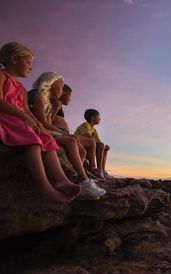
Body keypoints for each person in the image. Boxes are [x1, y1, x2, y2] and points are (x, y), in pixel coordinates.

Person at [0, 42, 80, 204]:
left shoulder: (21, 89)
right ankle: (45, 188)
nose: (30, 67)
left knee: (47, 138)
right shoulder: (1, 76)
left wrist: (36, 121)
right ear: (15, 59)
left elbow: (26, 110)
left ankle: (61, 180)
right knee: (33, 141)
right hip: (6, 116)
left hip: (20, 118)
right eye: (28, 62)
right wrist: (25, 118)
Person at [28, 72, 106, 199]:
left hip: (45, 129)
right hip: (36, 128)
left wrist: (65, 133)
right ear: (52, 85)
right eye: (61, 86)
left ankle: (77, 179)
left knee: (81, 149)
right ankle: (85, 183)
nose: (62, 90)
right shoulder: (38, 96)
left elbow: (48, 122)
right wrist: (64, 133)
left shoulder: (47, 102)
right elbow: (43, 123)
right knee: (71, 142)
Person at [51, 85, 102, 180]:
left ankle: (79, 172)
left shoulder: (59, 105)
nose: (70, 99)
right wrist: (62, 133)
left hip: (63, 132)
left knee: (83, 150)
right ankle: (93, 169)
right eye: (69, 96)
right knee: (91, 143)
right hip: (59, 132)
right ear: (63, 95)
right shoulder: (57, 103)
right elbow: (50, 120)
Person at [74, 109, 111, 180]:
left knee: (103, 147)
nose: (100, 118)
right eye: (98, 116)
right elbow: (88, 137)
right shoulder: (85, 125)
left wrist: (105, 147)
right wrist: (100, 144)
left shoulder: (94, 130)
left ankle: (101, 170)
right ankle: (94, 168)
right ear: (92, 117)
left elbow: (99, 142)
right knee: (97, 144)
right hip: (80, 146)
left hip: (90, 149)